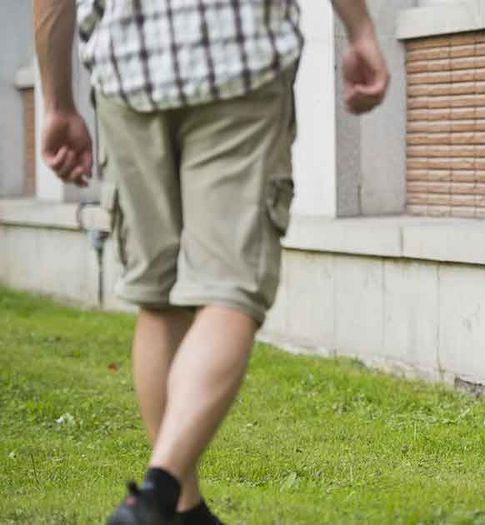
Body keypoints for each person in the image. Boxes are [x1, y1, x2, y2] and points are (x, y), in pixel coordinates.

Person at [32, 0, 389, 522]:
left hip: (128, 69)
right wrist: (360, 29)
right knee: (231, 290)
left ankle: (182, 510)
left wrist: (58, 103)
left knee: (159, 298)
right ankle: (156, 497)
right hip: (237, 58)